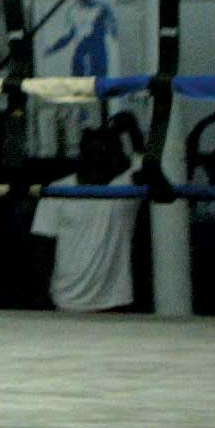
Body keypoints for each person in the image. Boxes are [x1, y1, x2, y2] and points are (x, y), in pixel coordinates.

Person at [30, 123, 142, 312]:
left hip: (114, 303)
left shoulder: (124, 189)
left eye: (109, 152)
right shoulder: (57, 191)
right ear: (84, 154)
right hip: (66, 301)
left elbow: (149, 165)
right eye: (96, 152)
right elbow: (42, 248)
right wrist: (43, 300)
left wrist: (131, 126)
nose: (102, 158)